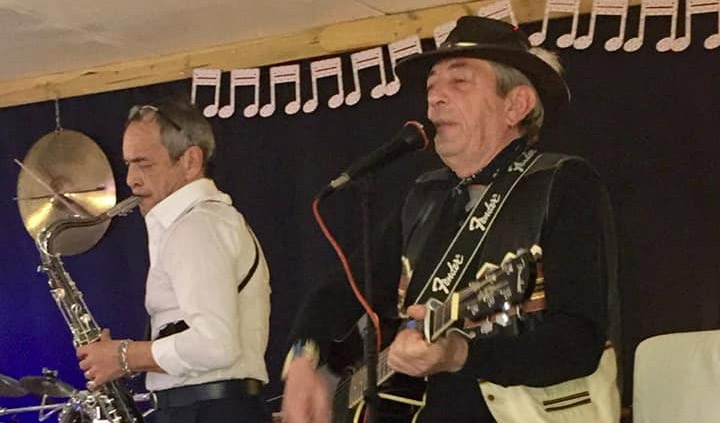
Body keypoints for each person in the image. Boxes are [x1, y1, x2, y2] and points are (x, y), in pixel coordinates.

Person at [281, 16, 621, 423]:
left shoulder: (564, 183)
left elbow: (579, 341)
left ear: (516, 105)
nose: (434, 99)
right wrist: (304, 359)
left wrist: (461, 353)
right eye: (431, 87)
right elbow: (341, 291)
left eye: (458, 82)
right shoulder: (425, 196)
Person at [76, 98, 272, 423]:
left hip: (209, 411)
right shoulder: (199, 222)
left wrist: (124, 356)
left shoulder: (197, 225)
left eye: (145, 164)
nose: (131, 180)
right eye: (129, 164)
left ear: (191, 161)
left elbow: (216, 344)